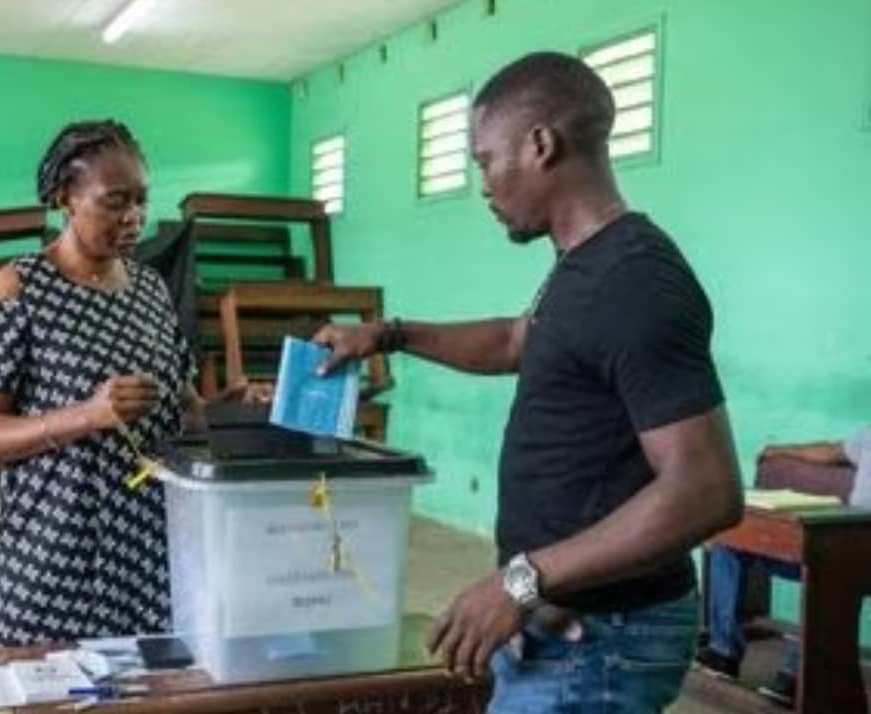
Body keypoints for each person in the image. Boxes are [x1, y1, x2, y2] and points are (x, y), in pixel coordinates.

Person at [314, 52, 743, 712]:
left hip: (602, 639)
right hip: (566, 623)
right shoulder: (584, 264)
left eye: (485, 159)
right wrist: (387, 333)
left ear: (540, 143)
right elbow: (518, 340)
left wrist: (519, 581)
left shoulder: (635, 281)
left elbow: (706, 491)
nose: (482, 182)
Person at [0, 119, 208, 645]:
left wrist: (229, 407)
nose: (134, 217)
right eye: (115, 201)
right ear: (64, 198)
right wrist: (87, 416)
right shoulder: (17, 288)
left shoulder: (149, 288)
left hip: (148, 553)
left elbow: (185, 403)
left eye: (141, 200)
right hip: (54, 556)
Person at [696, 427, 871, 707]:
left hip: (850, 555)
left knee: (828, 570)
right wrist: (782, 450)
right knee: (729, 544)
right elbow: (830, 451)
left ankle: (798, 674)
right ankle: (723, 651)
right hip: (840, 541)